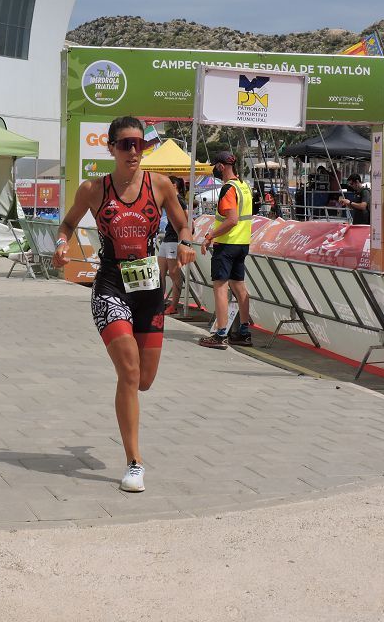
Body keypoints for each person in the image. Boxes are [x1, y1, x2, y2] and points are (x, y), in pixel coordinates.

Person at [52, 116, 195, 493]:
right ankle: (134, 462)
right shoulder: (93, 190)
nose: (134, 152)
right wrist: (62, 244)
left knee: (144, 380)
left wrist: (185, 243)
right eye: (126, 145)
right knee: (129, 372)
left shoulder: (160, 185)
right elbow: (66, 224)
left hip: (149, 288)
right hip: (111, 286)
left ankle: (130, 439)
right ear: (111, 148)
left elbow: (183, 225)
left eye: (139, 145)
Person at [199, 151, 254, 350]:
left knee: (220, 288)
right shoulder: (243, 186)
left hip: (227, 245)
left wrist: (209, 236)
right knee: (239, 287)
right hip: (242, 244)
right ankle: (244, 333)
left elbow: (231, 220)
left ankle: (220, 334)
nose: (213, 169)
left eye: (214, 165)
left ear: (221, 166)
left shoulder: (228, 189)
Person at [158, 176, 189, 315]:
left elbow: (187, 221)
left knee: (174, 273)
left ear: (174, 185)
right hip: (167, 238)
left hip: (174, 240)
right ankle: (160, 302)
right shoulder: (170, 199)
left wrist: (185, 239)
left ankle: (174, 305)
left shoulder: (180, 200)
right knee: (160, 273)